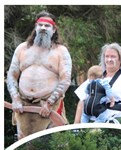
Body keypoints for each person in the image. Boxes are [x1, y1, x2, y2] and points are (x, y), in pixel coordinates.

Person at [6, 11, 72, 139]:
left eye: (47, 26)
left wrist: (49, 103)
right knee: (23, 142)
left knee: (50, 143)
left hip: (49, 105)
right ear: (35, 27)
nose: (43, 28)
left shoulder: (60, 51)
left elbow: (65, 80)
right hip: (23, 105)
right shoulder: (22, 48)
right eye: (40, 25)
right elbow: (11, 75)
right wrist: (15, 99)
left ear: (53, 30)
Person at [74, 43, 121, 126]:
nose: (109, 59)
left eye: (113, 57)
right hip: (92, 121)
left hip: (117, 120)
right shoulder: (96, 76)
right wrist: (76, 124)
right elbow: (82, 99)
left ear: (120, 60)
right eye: (107, 56)